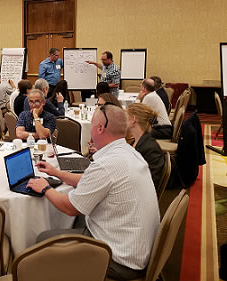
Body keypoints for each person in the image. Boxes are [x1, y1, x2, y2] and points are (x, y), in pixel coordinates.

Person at [26, 104, 160, 280]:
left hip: (119, 260)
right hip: (136, 247)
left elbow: (70, 207)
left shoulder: (106, 165)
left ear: (99, 128)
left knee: (43, 239)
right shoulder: (129, 153)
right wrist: (57, 173)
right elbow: (90, 181)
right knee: (77, 218)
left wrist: (45, 188)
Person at [126, 103, 165, 189]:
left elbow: (152, 183)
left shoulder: (150, 148)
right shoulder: (135, 140)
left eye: (125, 116)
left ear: (133, 119)